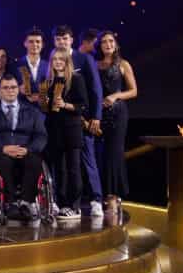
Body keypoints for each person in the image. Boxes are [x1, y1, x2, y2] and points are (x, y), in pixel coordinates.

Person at [0, 75, 49, 220]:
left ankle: (26, 203)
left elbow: (41, 136)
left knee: (35, 161)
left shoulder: (32, 112)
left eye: (13, 87)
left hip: (25, 150)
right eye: (6, 88)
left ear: (18, 89)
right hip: (1, 152)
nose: (10, 91)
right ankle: (11, 203)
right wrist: (2, 148)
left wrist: (28, 149)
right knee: (3, 161)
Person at [52, 24, 105, 219]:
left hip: (83, 120)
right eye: (58, 39)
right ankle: (62, 202)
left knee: (87, 160)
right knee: (63, 165)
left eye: (65, 38)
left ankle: (96, 200)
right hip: (60, 124)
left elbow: (95, 90)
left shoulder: (85, 59)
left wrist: (96, 117)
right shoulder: (53, 62)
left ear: (71, 40)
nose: (62, 42)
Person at [41, 48, 89, 221]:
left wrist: (66, 105)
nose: (58, 62)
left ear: (67, 62)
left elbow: (82, 106)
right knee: (59, 170)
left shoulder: (76, 79)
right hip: (54, 130)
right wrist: (43, 102)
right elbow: (45, 110)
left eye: (61, 59)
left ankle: (74, 206)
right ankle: (61, 205)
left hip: (72, 130)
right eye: (55, 59)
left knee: (73, 169)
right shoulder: (48, 82)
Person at [96, 31, 137, 221]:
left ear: (116, 44)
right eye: (104, 41)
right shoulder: (95, 64)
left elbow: (133, 91)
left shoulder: (123, 64)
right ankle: (102, 194)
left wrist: (115, 96)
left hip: (117, 113)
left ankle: (112, 196)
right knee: (101, 154)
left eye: (110, 41)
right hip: (98, 114)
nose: (107, 44)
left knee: (114, 153)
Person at [17, 28, 48, 107]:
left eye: (38, 41)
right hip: (22, 110)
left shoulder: (49, 66)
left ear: (42, 45)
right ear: (25, 44)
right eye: (31, 41)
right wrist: (18, 89)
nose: (34, 44)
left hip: (43, 111)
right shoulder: (15, 66)